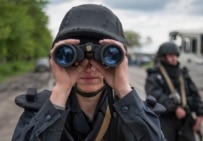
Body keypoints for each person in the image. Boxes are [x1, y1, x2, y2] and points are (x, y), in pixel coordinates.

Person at [11, 4, 166, 141]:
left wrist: (123, 89)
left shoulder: (134, 112)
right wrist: (61, 91)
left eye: (104, 56)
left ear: (121, 59)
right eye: (75, 56)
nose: (90, 66)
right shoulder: (40, 110)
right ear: (56, 58)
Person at [145, 42, 203, 141]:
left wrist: (200, 114)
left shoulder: (183, 74)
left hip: (184, 120)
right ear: (162, 57)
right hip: (165, 120)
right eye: (170, 55)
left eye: (175, 55)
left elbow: (194, 94)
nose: (174, 58)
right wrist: (174, 108)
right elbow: (154, 95)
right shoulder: (154, 75)